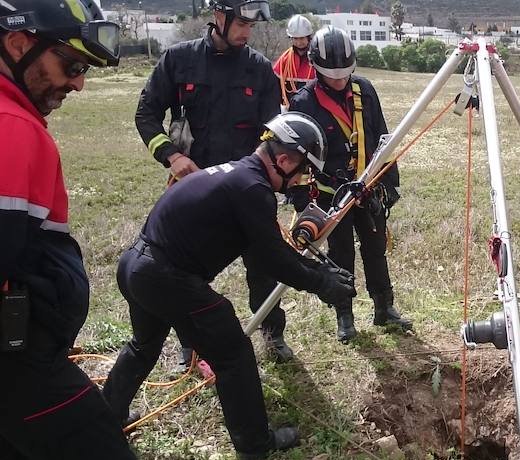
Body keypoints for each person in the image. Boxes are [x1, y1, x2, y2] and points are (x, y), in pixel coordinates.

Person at [101, 112, 356, 460]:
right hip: (165, 276)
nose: (301, 180)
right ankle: (254, 443)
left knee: (144, 345)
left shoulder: (238, 175)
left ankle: (105, 419)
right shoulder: (253, 189)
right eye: (302, 171)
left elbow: (264, 250)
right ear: (282, 160)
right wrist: (322, 282)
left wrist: (316, 272)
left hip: (136, 265)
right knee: (232, 352)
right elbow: (272, 260)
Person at [0, 1, 144, 460]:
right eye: (72, 65)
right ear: (19, 44)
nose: (78, 83)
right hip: (19, 361)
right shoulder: (12, 127)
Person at [134, 0, 292, 368]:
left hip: (245, 191)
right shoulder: (178, 60)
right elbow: (146, 114)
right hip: (194, 193)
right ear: (218, 16)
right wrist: (172, 156)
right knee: (183, 272)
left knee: (264, 263)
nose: (246, 33)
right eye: (240, 24)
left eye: (252, 27)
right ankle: (188, 344)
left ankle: (273, 333)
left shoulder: (259, 69)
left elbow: (273, 131)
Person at [289, 26, 411, 343]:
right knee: (341, 256)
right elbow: (296, 158)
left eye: (345, 73)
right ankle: (345, 316)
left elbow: (384, 140)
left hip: (369, 188)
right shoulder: (303, 103)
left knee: (375, 249)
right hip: (331, 195)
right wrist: (304, 205)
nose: (340, 79)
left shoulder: (365, 91)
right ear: (316, 67)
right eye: (332, 74)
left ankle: (384, 308)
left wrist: (389, 186)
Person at [273, 14, 315, 109]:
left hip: (312, 111)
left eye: (302, 38)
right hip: (289, 111)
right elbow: (274, 87)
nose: (299, 42)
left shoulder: (317, 60)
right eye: (295, 38)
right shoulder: (285, 59)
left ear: (308, 37)